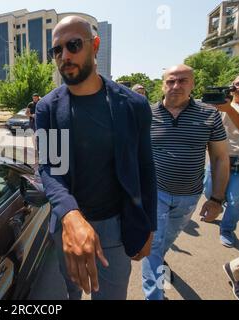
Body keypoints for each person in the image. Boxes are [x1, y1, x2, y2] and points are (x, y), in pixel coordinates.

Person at [36, 16, 157, 300]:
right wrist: (70, 215)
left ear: (95, 46)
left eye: (74, 45)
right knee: (71, 293)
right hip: (67, 227)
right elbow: (50, 168)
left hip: (116, 229)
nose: (64, 55)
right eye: (57, 50)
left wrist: (149, 225)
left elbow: (145, 167)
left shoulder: (134, 105)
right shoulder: (47, 109)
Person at [142, 64, 230, 300]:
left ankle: (159, 259)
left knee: (164, 242)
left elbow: (220, 157)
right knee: (153, 245)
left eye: (182, 81)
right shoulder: (146, 114)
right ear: (163, 84)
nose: (176, 86)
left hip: (189, 197)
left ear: (192, 84)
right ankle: (155, 296)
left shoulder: (209, 115)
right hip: (155, 193)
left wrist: (216, 199)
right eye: (171, 81)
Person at [204, 76, 239, 248]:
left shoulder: (227, 108)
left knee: (235, 201)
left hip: (238, 162)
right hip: (218, 159)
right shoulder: (220, 105)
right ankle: (221, 204)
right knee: (209, 192)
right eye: (238, 83)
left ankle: (226, 229)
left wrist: (229, 109)